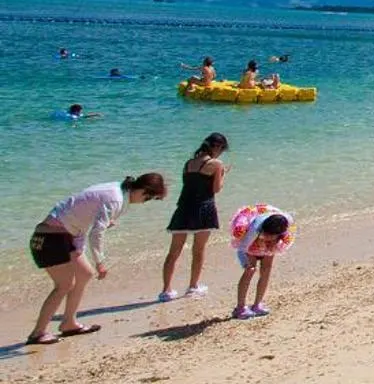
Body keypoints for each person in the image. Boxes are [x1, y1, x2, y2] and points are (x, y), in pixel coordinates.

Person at [27, 173, 168, 344]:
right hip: (49, 238)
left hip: (65, 236)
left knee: (85, 274)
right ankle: (37, 333)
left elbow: (81, 219)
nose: (145, 202)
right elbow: (96, 233)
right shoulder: (116, 199)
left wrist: (83, 249)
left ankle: (68, 323)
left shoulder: (118, 190)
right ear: (144, 191)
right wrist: (100, 261)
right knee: (64, 285)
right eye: (148, 198)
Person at [160, 133, 229, 301]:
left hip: (183, 208)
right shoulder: (216, 164)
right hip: (204, 208)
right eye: (222, 149)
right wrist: (223, 174)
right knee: (198, 251)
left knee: (173, 252)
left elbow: (190, 185)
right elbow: (216, 189)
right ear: (217, 147)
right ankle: (193, 287)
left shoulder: (189, 163)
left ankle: (166, 290)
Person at [232, 210, 293, 319]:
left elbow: (281, 236)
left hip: (271, 239)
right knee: (250, 271)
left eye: (271, 236)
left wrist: (272, 242)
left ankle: (257, 304)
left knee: (266, 270)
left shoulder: (283, 226)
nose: (268, 238)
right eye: (267, 235)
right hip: (251, 244)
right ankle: (240, 308)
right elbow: (241, 248)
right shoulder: (254, 229)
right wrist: (245, 264)